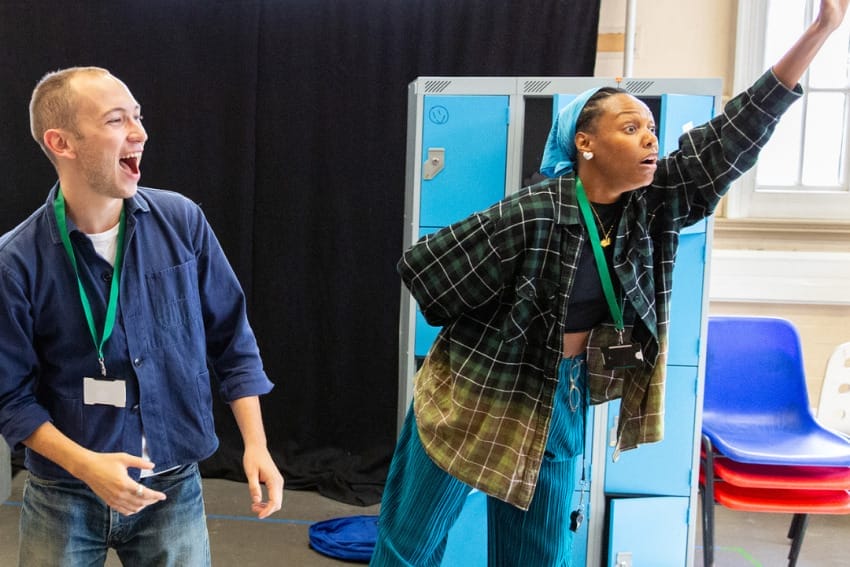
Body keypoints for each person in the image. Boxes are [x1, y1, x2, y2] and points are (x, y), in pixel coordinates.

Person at [371, 1, 850, 565]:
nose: (650, 138)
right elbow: (427, 270)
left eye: (650, 127)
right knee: (410, 547)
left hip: (561, 395)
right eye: (631, 128)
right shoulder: (533, 213)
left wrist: (820, 31)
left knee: (538, 555)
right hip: (474, 391)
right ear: (585, 143)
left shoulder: (652, 208)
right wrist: (500, 325)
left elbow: (733, 134)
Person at [0, 67, 284, 566]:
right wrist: (87, 467)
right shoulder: (15, 262)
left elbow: (232, 338)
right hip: (63, 494)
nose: (140, 133)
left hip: (171, 487)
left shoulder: (182, 222)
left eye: (138, 116)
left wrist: (256, 444)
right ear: (61, 142)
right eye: (116, 120)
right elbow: (10, 398)